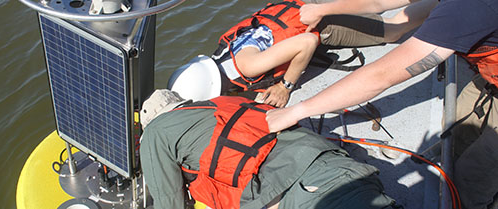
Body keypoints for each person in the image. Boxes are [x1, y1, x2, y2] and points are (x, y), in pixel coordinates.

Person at [266, 0, 498, 209]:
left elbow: (383, 74)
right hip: (489, 74)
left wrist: (295, 110)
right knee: (456, 131)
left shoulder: (472, 0)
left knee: (472, 180)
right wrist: (328, 8)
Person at [168, 0, 436, 108]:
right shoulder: (222, 53)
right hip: (298, 3)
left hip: (319, 21)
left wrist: (285, 87)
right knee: (369, 5)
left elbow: (307, 42)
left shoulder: (248, 66)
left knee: (392, 29)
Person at [139, 89, 397, 209]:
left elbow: (168, 203)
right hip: (344, 168)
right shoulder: (227, 101)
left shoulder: (155, 132)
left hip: (310, 193)